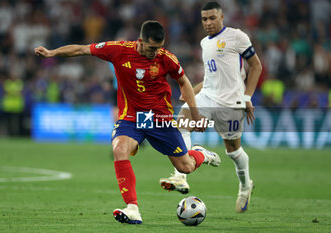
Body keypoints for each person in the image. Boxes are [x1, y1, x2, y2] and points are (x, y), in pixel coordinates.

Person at [34, 20, 221, 224]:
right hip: (131, 116)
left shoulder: (166, 58)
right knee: (119, 149)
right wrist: (52, 53)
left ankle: (200, 154)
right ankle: (132, 208)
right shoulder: (118, 50)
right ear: (140, 41)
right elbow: (81, 49)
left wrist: (195, 114)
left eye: (159, 48)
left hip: (159, 118)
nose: (155, 52)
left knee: (185, 167)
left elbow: (183, 81)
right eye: (151, 48)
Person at [160, 2, 262, 214]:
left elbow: (256, 66)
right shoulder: (204, 43)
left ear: (222, 17)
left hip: (231, 102)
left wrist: (247, 97)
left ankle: (245, 185)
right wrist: (193, 92)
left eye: (212, 18)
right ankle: (181, 176)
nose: (208, 23)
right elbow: (211, 77)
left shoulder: (237, 37)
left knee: (233, 151)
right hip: (208, 96)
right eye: (204, 19)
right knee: (181, 124)